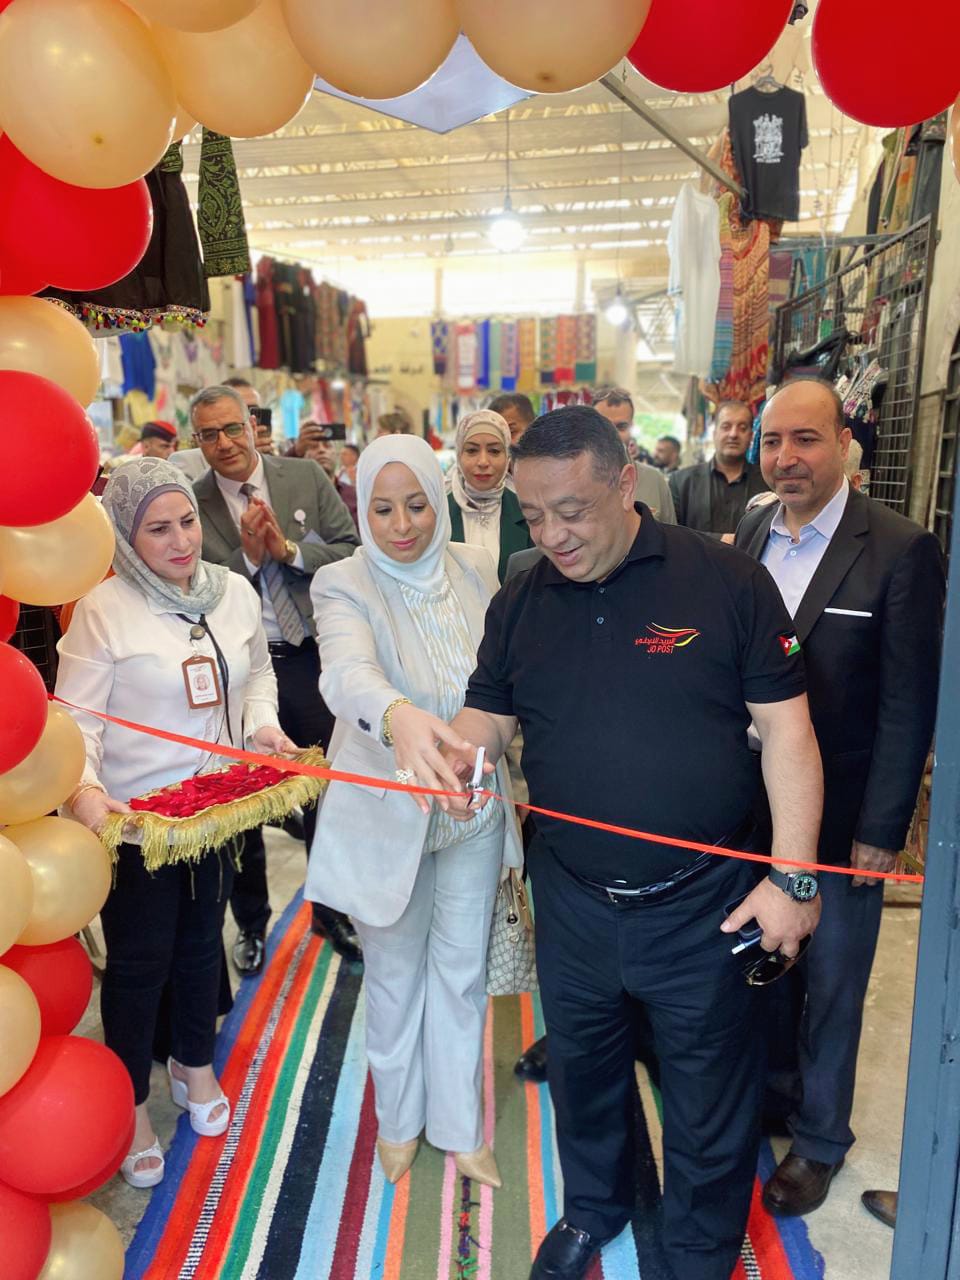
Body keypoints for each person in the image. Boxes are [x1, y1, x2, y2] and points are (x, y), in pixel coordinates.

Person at [418, 406, 825, 1280]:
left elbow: (789, 734)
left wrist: (793, 879)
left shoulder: (726, 581)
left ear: (626, 483)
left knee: (708, 1092)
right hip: (572, 898)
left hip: (705, 902)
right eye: (534, 515)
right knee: (584, 1068)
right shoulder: (521, 599)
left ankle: (699, 1250)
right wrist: (453, 751)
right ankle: (594, 1209)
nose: (552, 536)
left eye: (572, 511)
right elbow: (489, 716)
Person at [54, 458, 294, 1189]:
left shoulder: (232, 593)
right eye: (157, 529)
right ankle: (130, 1105)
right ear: (127, 538)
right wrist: (86, 793)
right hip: (138, 825)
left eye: (187, 520)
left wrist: (262, 727)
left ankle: (194, 1065)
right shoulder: (104, 609)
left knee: (200, 947)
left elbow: (258, 673)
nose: (181, 540)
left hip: (216, 812)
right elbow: (76, 721)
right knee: (138, 966)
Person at [736, 377, 944, 1217]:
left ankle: (820, 1140)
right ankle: (775, 1095)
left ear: (846, 444)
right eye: (772, 440)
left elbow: (909, 703)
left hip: (849, 808)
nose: (786, 457)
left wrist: (883, 827)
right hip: (755, 803)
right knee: (767, 963)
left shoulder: (899, 549)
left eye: (806, 439)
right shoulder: (755, 526)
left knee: (834, 981)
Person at [304, 434, 523, 1188]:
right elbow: (345, 674)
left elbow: (503, 679)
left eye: (418, 505)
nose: (403, 525)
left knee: (461, 974)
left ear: (441, 497)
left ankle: (460, 1127)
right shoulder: (341, 581)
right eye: (383, 509)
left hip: (473, 806)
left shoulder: (476, 566)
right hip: (387, 814)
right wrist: (397, 716)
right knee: (395, 977)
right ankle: (398, 1122)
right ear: (362, 511)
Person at [190, 385, 361, 975]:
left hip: (309, 658)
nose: (224, 443)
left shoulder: (304, 477)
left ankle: (332, 908)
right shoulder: (193, 501)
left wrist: (287, 550)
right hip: (240, 670)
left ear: (253, 425)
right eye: (209, 434)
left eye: (232, 428)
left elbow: (349, 550)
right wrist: (246, 560)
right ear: (197, 441)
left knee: (326, 790)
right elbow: (191, 585)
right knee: (243, 800)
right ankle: (251, 923)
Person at [446, 409, 533, 583]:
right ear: (459, 455)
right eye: (472, 450)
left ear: (508, 456)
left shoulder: (529, 513)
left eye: (494, 451)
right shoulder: (438, 513)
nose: (483, 462)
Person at [669, 399, 768, 536]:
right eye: (726, 427)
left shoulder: (767, 482)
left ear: (751, 436)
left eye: (742, 428)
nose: (733, 434)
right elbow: (671, 533)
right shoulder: (681, 482)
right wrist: (719, 539)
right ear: (714, 433)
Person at [592, 388, 677, 523]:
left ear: (632, 427)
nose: (613, 435)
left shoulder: (654, 481)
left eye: (621, 427)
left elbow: (670, 534)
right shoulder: (575, 481)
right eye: (604, 427)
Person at [290, 422, 358, 526]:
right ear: (302, 455)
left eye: (327, 446)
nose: (321, 450)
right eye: (313, 447)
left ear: (336, 454)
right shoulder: (294, 497)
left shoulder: (353, 495)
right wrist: (295, 451)